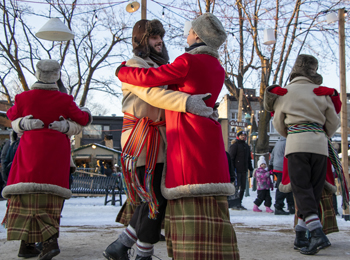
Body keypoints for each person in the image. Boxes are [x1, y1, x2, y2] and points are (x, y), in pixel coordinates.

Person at [116, 13, 239, 260]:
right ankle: (135, 250)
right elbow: (152, 95)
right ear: (141, 40)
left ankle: (128, 247)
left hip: (167, 138)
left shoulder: (179, 63)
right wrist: (188, 102)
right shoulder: (136, 64)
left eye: (160, 35)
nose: (160, 40)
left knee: (156, 197)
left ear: (198, 35)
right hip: (144, 138)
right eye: (153, 36)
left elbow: (161, 83)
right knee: (153, 197)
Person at [1, 59, 91, 260]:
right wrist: (81, 113)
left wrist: (22, 123)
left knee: (26, 196)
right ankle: (49, 242)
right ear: (57, 75)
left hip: (30, 153)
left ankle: (27, 244)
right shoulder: (64, 100)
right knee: (51, 196)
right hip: (55, 156)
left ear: (37, 73)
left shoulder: (24, 98)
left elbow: (10, 115)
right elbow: (83, 119)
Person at [270, 54, 340, 255]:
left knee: (301, 190)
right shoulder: (320, 92)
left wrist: (292, 133)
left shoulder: (285, 92)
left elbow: (278, 123)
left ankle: (317, 233)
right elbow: (334, 122)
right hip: (319, 146)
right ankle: (301, 235)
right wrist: (320, 132)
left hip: (296, 144)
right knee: (313, 191)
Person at [229, 130, 254, 210]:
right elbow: (231, 158)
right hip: (236, 169)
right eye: (242, 135)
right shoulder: (235, 145)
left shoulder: (246, 146)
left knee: (243, 187)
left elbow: (249, 159)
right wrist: (232, 170)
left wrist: (251, 169)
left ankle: (239, 202)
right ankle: (234, 204)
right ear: (238, 136)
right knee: (236, 187)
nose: (243, 137)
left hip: (244, 170)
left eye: (244, 135)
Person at [269, 136, 294, 215]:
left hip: (277, 166)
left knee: (286, 186)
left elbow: (272, 154)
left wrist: (271, 165)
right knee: (284, 186)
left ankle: (289, 205)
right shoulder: (288, 142)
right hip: (284, 166)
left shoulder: (278, 142)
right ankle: (280, 206)